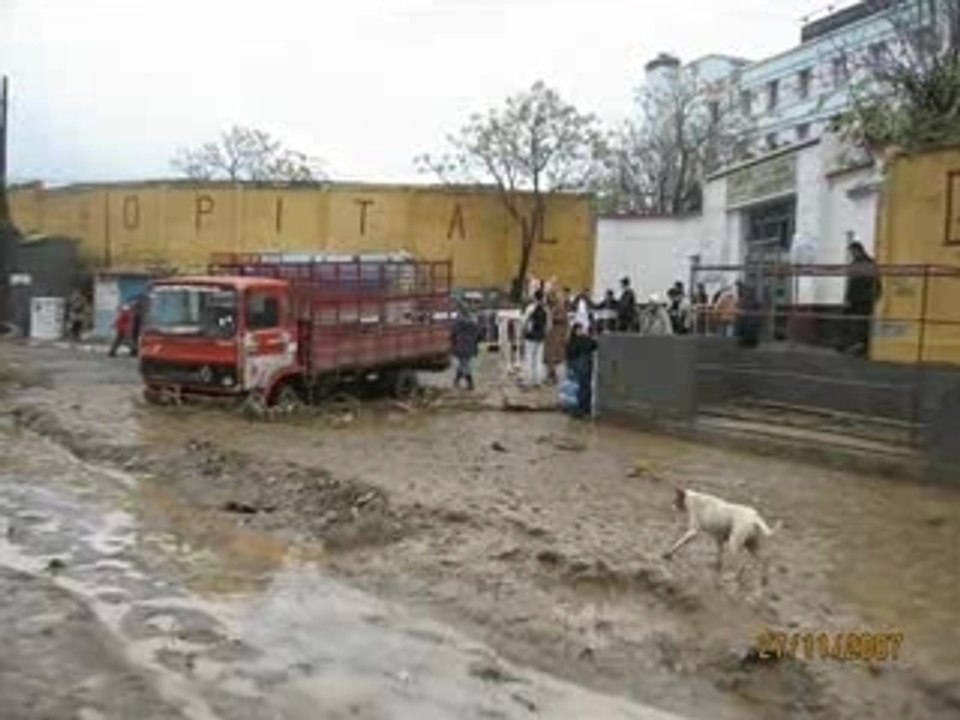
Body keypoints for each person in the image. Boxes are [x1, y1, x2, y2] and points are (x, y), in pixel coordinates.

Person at [842, 241, 882, 357]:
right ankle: (857, 345)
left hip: (861, 298)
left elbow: (853, 283)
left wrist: (847, 298)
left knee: (860, 323)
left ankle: (860, 346)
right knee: (859, 323)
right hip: (861, 298)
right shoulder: (868, 263)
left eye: (852, 251)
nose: (852, 254)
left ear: (858, 250)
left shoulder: (861, 264)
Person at [565, 322, 598, 419]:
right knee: (583, 388)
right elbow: (595, 345)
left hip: (577, 368)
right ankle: (582, 409)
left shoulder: (572, 341)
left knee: (577, 389)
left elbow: (569, 356)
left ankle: (578, 410)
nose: (581, 331)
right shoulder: (585, 340)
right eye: (580, 329)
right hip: (582, 368)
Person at [522, 290, 550, 386]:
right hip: (541, 336)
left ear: (534, 297)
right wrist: (545, 333)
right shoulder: (546, 309)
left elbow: (524, 321)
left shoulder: (530, 308)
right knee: (539, 358)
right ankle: (538, 379)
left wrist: (524, 331)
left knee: (529, 357)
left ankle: (529, 379)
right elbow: (549, 324)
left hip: (530, 336)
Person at [451, 307, 481, 390]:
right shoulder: (473, 323)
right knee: (464, 364)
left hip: (460, 345)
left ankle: (470, 383)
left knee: (464, 364)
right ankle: (458, 381)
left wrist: (453, 344)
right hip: (470, 346)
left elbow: (453, 334)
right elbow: (479, 335)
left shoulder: (457, 323)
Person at [543, 288, 568, 385]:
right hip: (550, 334)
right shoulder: (548, 307)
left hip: (557, 333)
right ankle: (550, 375)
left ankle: (554, 376)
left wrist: (551, 316)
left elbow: (563, 319)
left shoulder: (560, 307)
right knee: (549, 356)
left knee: (556, 356)